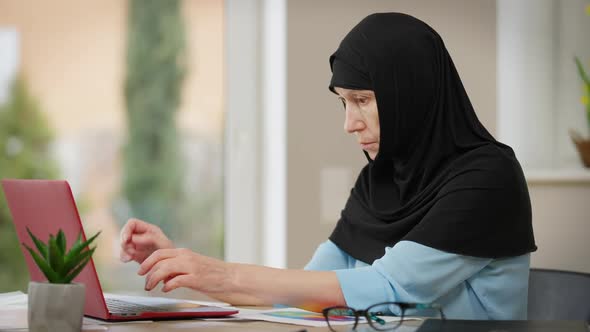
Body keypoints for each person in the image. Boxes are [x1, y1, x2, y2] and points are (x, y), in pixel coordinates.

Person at [119, 13, 536, 320]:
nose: (349, 123)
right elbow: (305, 291)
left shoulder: (488, 178)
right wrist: (182, 265)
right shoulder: (379, 179)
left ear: (410, 91)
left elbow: (389, 290)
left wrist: (224, 275)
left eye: (363, 100)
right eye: (343, 102)